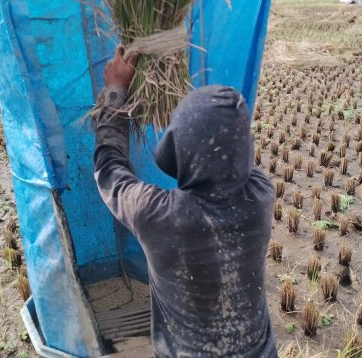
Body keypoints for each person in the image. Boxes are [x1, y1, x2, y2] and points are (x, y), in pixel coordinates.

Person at [93, 46, 277, 357]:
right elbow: (232, 153)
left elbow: (109, 167)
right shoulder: (260, 196)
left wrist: (116, 91)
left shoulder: (159, 216)